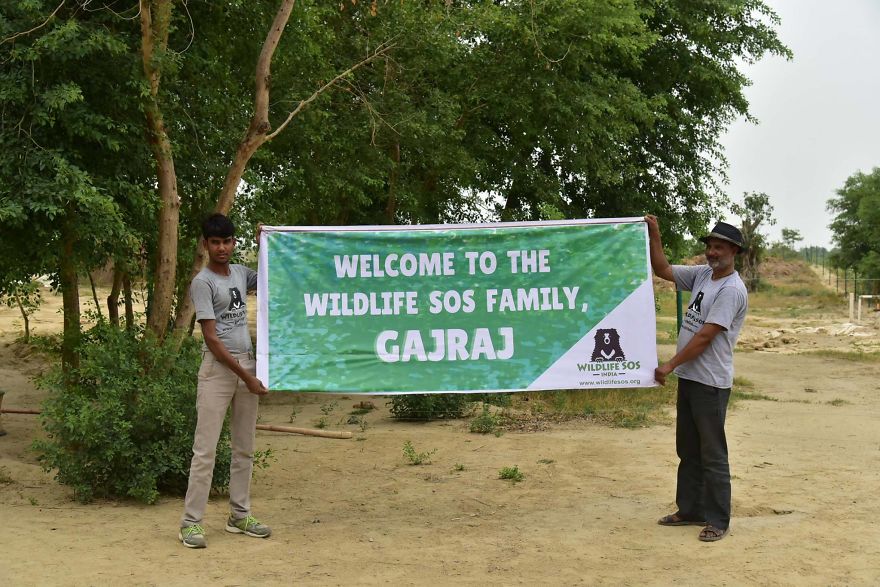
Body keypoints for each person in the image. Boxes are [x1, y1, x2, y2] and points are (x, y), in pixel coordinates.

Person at [645, 215, 749, 543]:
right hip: (691, 378)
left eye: (719, 247)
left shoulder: (731, 290)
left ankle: (718, 519)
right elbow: (662, 270)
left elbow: (705, 337)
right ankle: (690, 509)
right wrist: (654, 234)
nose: (712, 253)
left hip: (710, 383)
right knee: (688, 449)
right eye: (709, 246)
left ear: (734, 250)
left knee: (712, 453)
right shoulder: (704, 275)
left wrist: (669, 365)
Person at [179, 213, 270, 549]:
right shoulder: (202, 283)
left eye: (227, 241)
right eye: (215, 242)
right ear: (205, 245)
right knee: (205, 451)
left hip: (246, 367)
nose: (221, 247)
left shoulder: (239, 274)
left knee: (244, 449)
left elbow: (273, 277)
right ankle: (191, 523)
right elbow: (213, 340)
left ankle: (239, 515)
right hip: (219, 372)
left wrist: (266, 242)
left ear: (234, 243)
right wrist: (247, 377)